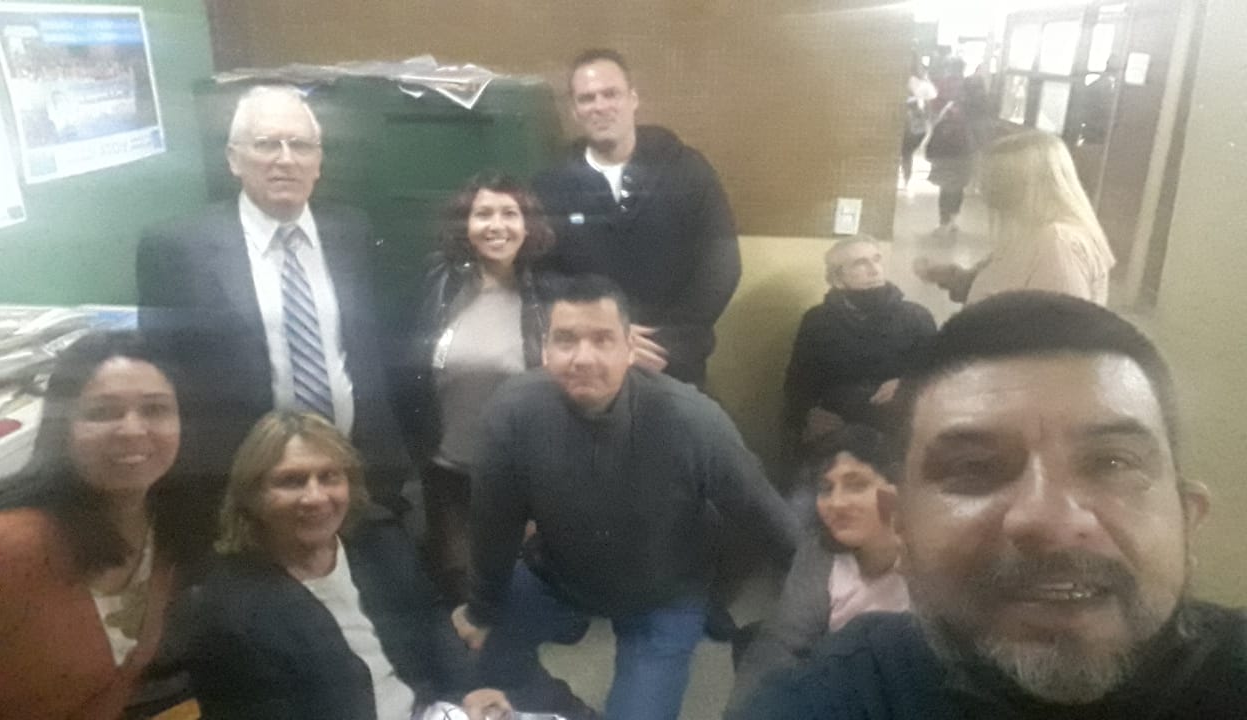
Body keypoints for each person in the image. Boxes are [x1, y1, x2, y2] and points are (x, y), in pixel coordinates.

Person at [734, 291, 1247, 719]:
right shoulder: (843, 694)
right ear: (901, 526)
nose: (1050, 518)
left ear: (1187, 518)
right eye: (974, 468)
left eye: (1112, 462)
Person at [449, 274, 799, 720]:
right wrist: (481, 609)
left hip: (664, 594)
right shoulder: (511, 412)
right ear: (545, 349)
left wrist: (834, 595)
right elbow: (494, 524)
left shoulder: (694, 419)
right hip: (558, 576)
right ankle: (569, 707)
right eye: (566, 340)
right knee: (468, 672)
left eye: (602, 340)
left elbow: (764, 515)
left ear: (631, 349)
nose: (583, 358)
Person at [136, 85, 415, 565]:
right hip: (241, 491)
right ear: (234, 158)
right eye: (266, 144)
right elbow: (164, 374)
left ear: (318, 161)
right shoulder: (177, 248)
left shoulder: (352, 231)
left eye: (300, 145)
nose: (285, 159)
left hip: (354, 474)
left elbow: (371, 350)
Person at [185, 410, 512, 720]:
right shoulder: (228, 614)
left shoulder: (379, 540)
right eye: (292, 481)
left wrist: (470, 689)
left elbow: (430, 617)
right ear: (252, 495)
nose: (316, 497)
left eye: (329, 477)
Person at [0, 332, 187, 719]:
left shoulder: (164, 534)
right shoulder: (12, 546)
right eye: (103, 412)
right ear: (63, 427)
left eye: (155, 410)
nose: (132, 430)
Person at [392, 172, 554, 606]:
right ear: (466, 224)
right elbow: (408, 371)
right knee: (459, 593)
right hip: (446, 472)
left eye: (509, 213)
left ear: (527, 225)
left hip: (519, 478)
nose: (496, 225)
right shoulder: (437, 283)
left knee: (519, 595)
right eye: (483, 214)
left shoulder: (549, 292)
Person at [533, 48, 740, 386]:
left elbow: (722, 265)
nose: (600, 106)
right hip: (588, 362)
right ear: (574, 111)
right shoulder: (550, 185)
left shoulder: (687, 169)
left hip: (672, 360)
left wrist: (668, 342)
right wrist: (604, 333)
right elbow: (542, 274)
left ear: (632, 99)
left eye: (610, 94)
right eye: (587, 98)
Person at [725, 425, 909, 716]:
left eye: (857, 484)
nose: (836, 502)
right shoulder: (821, 556)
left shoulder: (936, 559)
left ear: (895, 492)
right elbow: (782, 643)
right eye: (826, 489)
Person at [781, 235, 935, 466]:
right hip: (839, 428)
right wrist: (808, 415)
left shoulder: (916, 317)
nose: (874, 270)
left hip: (898, 428)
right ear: (838, 278)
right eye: (860, 263)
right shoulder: (818, 321)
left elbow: (941, 375)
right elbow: (798, 383)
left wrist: (908, 383)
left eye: (876, 259)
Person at [914, 130, 1116, 305]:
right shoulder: (1032, 233)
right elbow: (1010, 288)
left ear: (1023, 185)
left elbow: (1062, 325)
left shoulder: (1058, 244)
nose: (983, 189)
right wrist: (960, 279)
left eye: (994, 178)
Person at [924, 56, 977, 238]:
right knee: (958, 184)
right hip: (966, 145)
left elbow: (933, 111)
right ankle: (953, 220)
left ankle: (944, 222)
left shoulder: (943, 86)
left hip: (945, 146)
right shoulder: (970, 88)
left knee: (946, 185)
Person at [901, 58, 936, 188]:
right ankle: (906, 178)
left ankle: (905, 177)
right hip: (916, 127)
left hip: (908, 123)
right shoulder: (922, 82)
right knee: (907, 153)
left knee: (905, 152)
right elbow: (930, 98)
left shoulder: (909, 80)